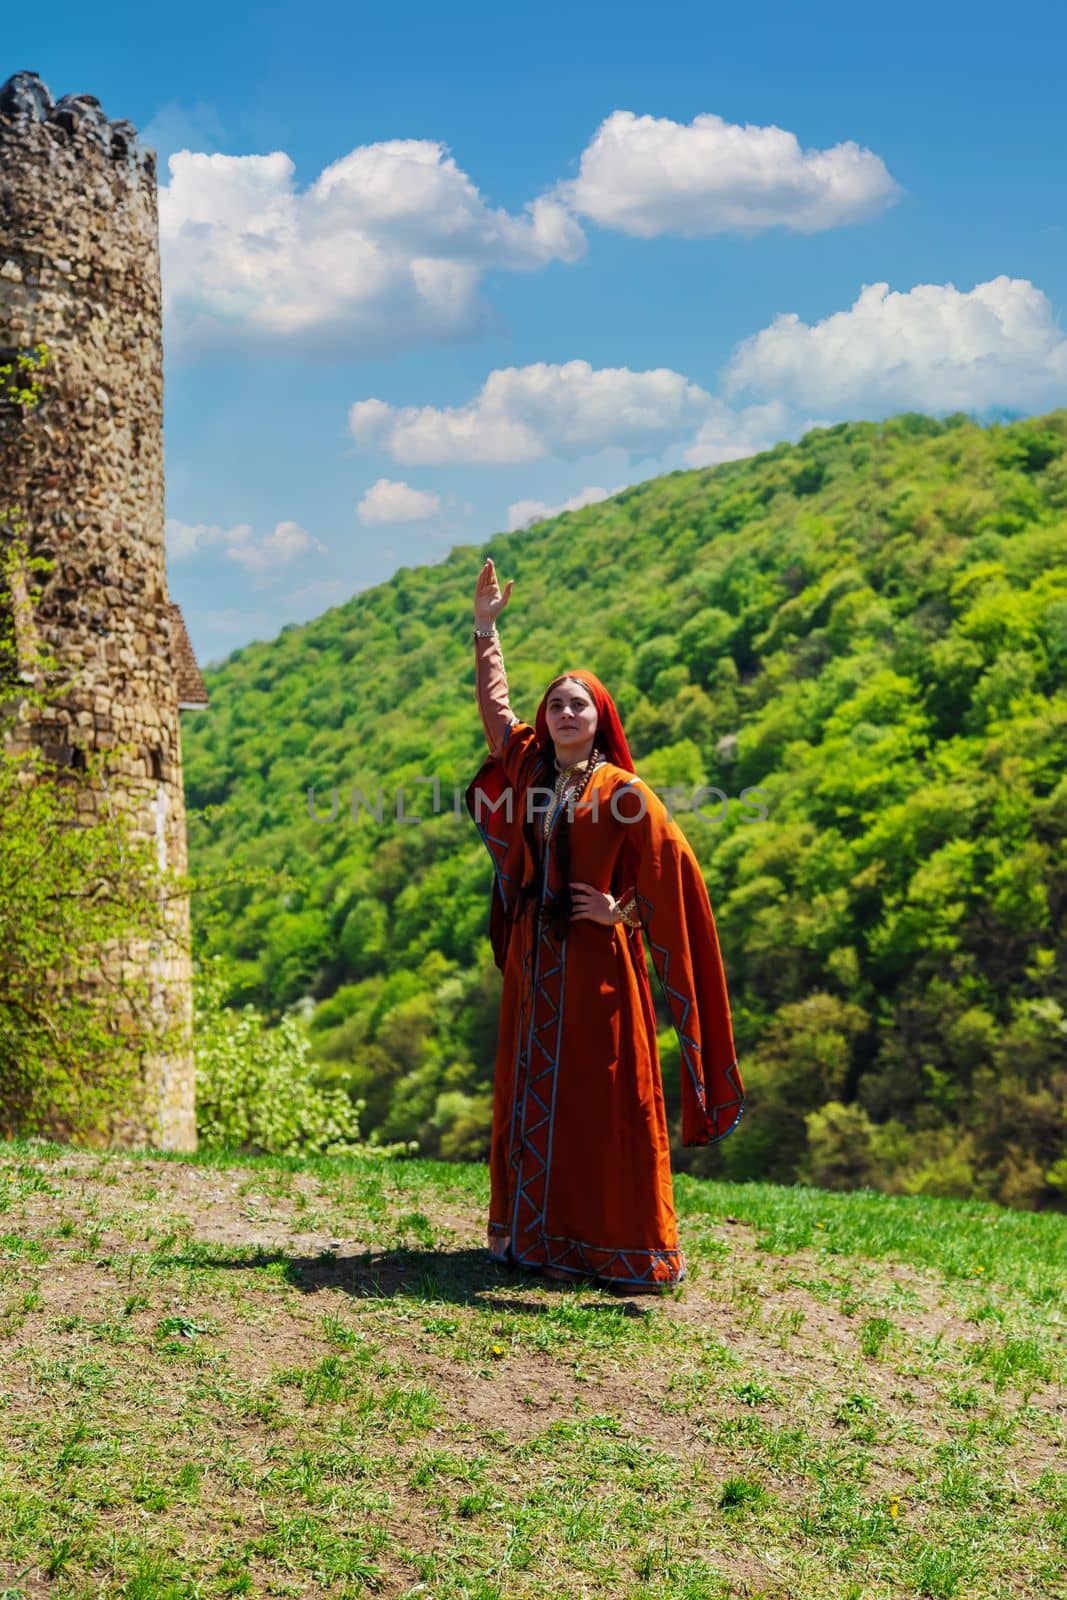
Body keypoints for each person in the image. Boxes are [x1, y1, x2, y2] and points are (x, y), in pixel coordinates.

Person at [464, 557, 745, 1294]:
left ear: (598, 721)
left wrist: (622, 912)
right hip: (535, 960)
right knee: (530, 1093)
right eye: (555, 704)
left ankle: (615, 1248)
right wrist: (485, 630)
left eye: (577, 707)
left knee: (602, 1099)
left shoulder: (624, 793)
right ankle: (531, 1236)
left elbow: (672, 874)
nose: (563, 715)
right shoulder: (526, 767)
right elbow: (495, 710)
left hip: (596, 970)